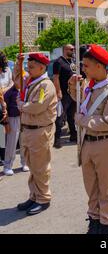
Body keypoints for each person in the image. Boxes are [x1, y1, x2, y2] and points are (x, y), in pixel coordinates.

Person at [68, 44, 108, 235]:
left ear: (99, 66)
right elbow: (78, 100)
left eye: (86, 65)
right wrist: (72, 85)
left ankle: (107, 225)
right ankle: (94, 220)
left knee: (106, 188)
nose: (83, 69)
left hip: (105, 142)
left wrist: (82, 120)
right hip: (87, 142)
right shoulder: (88, 85)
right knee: (91, 186)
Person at [13, 53, 57, 216]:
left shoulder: (46, 85)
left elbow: (37, 106)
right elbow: (17, 81)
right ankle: (34, 195)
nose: (28, 69)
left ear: (42, 67)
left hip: (40, 130)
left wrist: (21, 105)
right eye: (28, 66)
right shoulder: (30, 81)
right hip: (28, 129)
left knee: (40, 167)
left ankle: (43, 199)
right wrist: (18, 64)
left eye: (31, 66)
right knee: (32, 166)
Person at [53, 44, 76, 148]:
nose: (73, 50)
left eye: (73, 49)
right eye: (71, 49)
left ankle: (73, 135)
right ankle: (56, 139)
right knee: (60, 117)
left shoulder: (72, 61)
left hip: (73, 93)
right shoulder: (59, 62)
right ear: (65, 50)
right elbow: (56, 77)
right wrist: (58, 91)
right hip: (63, 93)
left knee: (72, 116)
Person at [3, 85, 29, 175]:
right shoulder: (10, 93)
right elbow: (4, 108)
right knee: (11, 143)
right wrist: (6, 123)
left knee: (24, 142)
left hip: (25, 117)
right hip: (13, 118)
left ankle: (25, 162)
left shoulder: (27, 89)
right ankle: (7, 165)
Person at [0, 52, 13, 167]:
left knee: (4, 130)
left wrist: (5, 90)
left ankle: (4, 156)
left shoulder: (8, 70)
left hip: (6, 100)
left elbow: (12, 83)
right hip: (1, 102)